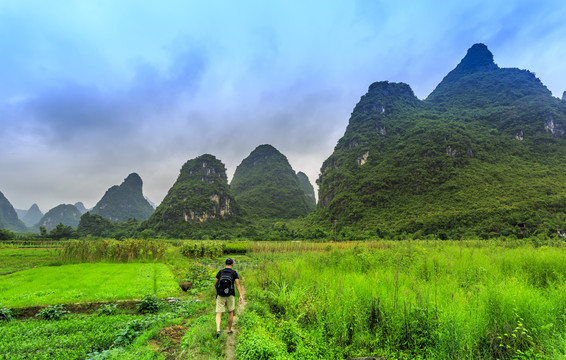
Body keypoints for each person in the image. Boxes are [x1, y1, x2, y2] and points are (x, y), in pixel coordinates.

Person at [215, 258, 243, 337]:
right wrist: (240, 295)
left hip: (220, 295)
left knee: (218, 313)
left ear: (225, 264)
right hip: (230, 295)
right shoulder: (234, 273)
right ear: (232, 264)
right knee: (230, 312)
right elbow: (237, 284)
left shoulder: (220, 272)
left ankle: (218, 329)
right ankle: (229, 330)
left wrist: (218, 291)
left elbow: (215, 283)